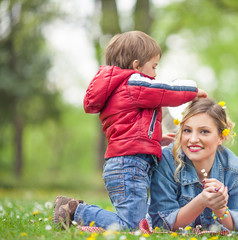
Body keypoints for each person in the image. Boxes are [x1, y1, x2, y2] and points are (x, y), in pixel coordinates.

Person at [52, 31, 207, 230]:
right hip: (130, 165)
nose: (155, 74)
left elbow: (128, 128)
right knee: (132, 225)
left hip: (125, 163)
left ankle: (77, 211)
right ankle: (76, 211)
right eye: (153, 66)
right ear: (136, 65)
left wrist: (156, 140)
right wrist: (193, 91)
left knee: (136, 219)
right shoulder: (133, 83)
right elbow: (165, 91)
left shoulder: (121, 90)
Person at [149, 98, 238, 233]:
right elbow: (160, 225)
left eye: (204, 131)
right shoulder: (168, 162)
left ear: (221, 137)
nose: (192, 139)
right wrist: (201, 202)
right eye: (187, 130)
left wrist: (220, 209)